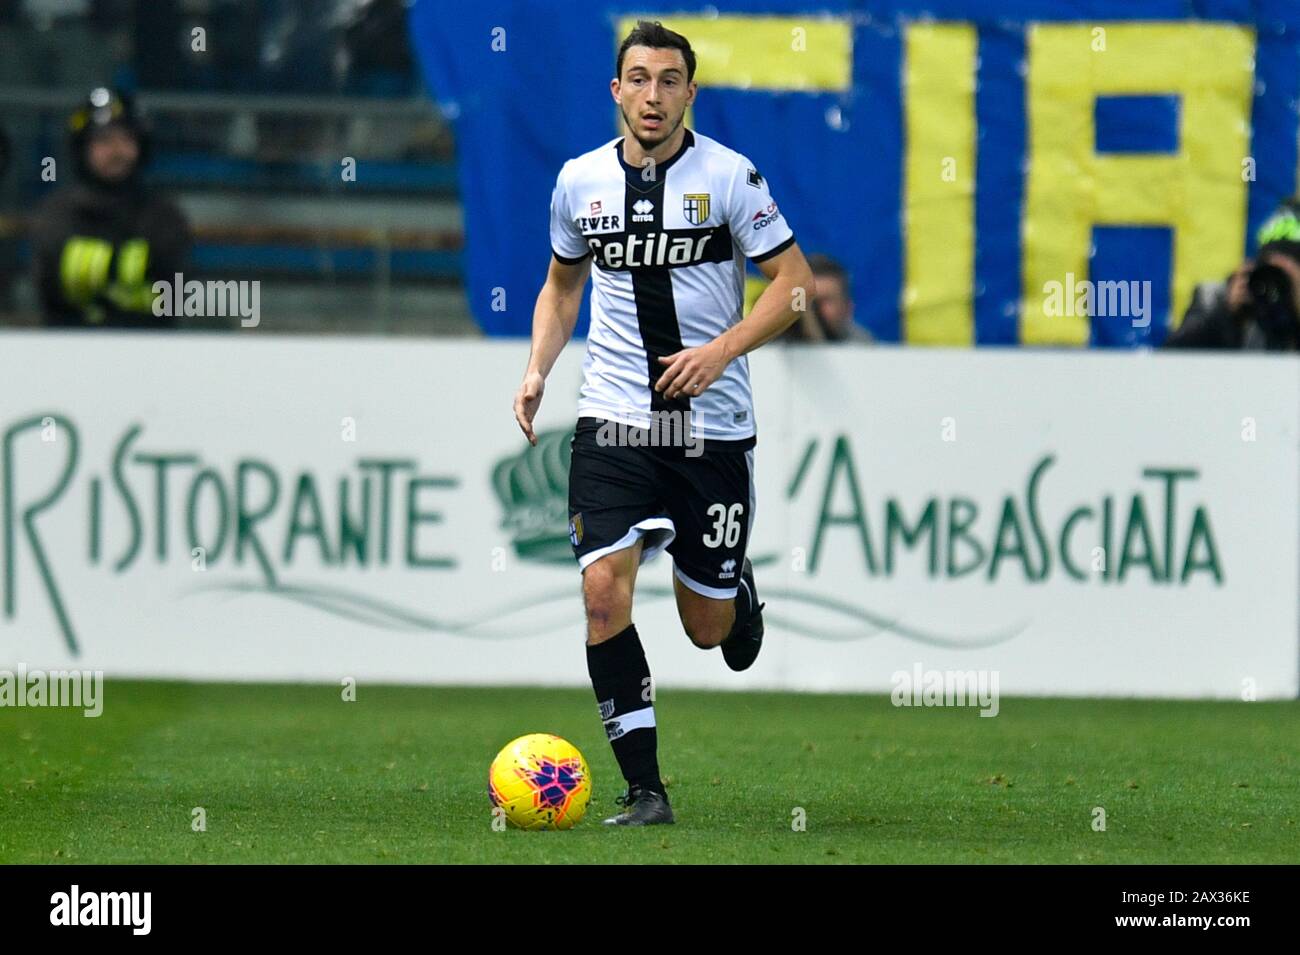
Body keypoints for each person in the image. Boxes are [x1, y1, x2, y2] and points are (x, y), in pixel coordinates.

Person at [512, 20, 815, 825]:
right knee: (603, 593)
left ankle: (734, 589)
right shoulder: (579, 181)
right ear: (616, 91)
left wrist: (722, 350)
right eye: (638, 79)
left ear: (690, 90)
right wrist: (540, 365)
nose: (653, 95)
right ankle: (646, 789)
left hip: (709, 428)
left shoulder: (729, 177)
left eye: (669, 80)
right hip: (613, 419)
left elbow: (793, 287)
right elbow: (560, 287)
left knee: (705, 628)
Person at [30, 87, 191, 329]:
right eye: (104, 140)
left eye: (126, 139)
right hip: (68, 350)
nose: (117, 151)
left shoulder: (164, 216)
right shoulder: (57, 214)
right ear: (82, 148)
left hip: (150, 349)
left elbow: (175, 299)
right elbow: (49, 298)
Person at [1164, 198, 1300, 351]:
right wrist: (1226, 314)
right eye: (1272, 265)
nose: (1279, 279)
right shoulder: (1215, 297)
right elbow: (1172, 360)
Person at [779, 252, 872, 342]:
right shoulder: (768, 342)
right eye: (803, 300)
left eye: (823, 300)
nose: (811, 309)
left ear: (848, 308)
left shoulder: (864, 350)